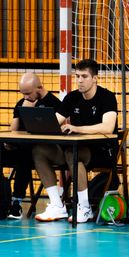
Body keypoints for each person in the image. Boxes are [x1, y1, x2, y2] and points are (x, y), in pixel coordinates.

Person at [33, 59, 118, 223]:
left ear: (94, 78)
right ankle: (57, 206)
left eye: (84, 76)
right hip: (73, 148)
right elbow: (55, 121)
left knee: (73, 153)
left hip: (101, 151)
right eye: (77, 76)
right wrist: (39, 123)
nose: (79, 80)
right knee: (39, 151)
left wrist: (77, 128)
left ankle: (85, 208)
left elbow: (108, 127)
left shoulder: (107, 97)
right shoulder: (72, 97)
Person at [0, 72, 61, 219]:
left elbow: (56, 132)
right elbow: (13, 130)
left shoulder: (54, 103)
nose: (25, 97)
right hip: (16, 147)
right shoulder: (22, 102)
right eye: (23, 94)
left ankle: (16, 201)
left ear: (39, 88)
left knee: (24, 155)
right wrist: (21, 114)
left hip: (37, 151)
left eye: (28, 93)